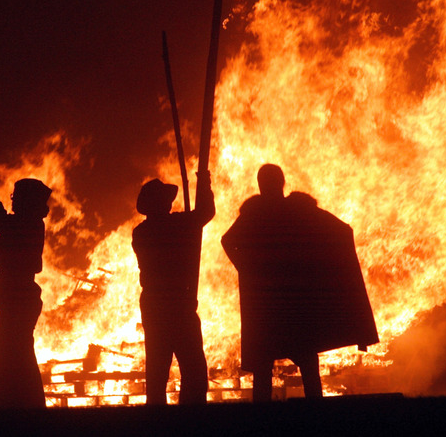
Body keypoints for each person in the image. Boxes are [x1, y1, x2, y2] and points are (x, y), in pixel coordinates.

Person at [221, 164, 379, 402]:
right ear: (281, 183)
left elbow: (227, 240)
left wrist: (248, 267)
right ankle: (315, 412)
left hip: (267, 301)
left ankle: (259, 419)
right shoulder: (299, 210)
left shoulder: (255, 214)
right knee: (304, 356)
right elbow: (342, 231)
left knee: (265, 362)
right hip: (294, 298)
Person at [131, 171, 215, 405]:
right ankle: (191, 417)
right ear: (160, 204)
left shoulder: (141, 232)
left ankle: (157, 418)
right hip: (178, 304)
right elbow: (205, 213)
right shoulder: (178, 225)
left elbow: (198, 217)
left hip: (155, 305)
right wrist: (205, 184)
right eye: (165, 200)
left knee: (157, 369)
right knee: (194, 369)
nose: (170, 203)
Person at [0, 175, 51, 409]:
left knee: (12, 356)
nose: (13, 202)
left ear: (27, 202)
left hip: (18, 297)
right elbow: (2, 221)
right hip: (21, 296)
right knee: (18, 354)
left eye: (16, 198)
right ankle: (26, 405)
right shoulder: (30, 223)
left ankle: (18, 405)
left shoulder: (26, 225)